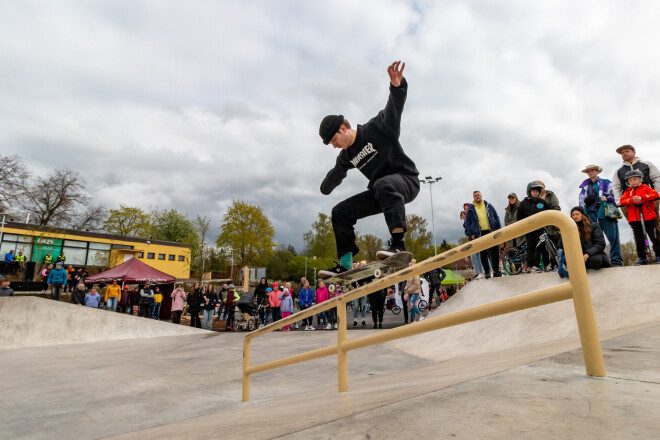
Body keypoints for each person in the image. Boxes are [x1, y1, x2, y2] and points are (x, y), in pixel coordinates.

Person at [317, 61, 420, 279]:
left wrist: (397, 87)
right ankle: (345, 263)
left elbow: (394, 109)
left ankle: (399, 245)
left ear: (343, 128)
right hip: (382, 193)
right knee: (340, 212)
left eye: (334, 140)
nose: (334, 146)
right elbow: (336, 174)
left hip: (407, 181)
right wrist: (324, 188)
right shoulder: (347, 155)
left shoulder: (377, 128)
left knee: (383, 184)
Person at [578, 164, 623, 267]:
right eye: (588, 171)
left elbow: (615, 195)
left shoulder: (606, 182)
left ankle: (616, 261)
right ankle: (602, 261)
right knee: (595, 239)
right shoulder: (584, 187)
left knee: (613, 237)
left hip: (606, 213)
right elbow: (581, 201)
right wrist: (585, 205)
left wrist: (607, 198)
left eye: (592, 170)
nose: (590, 173)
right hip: (591, 215)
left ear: (597, 171)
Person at [619, 169, 660, 265]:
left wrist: (642, 197)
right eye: (630, 180)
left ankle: (658, 255)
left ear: (640, 179)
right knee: (639, 238)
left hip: (649, 218)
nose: (633, 182)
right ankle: (642, 257)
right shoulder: (628, 192)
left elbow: (655, 194)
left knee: (654, 236)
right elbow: (622, 201)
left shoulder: (646, 188)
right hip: (635, 219)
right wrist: (631, 200)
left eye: (635, 179)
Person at [612, 145, 660, 226]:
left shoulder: (646, 164)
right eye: (622, 153)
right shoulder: (619, 171)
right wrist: (618, 200)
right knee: (636, 228)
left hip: (649, 200)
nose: (624, 154)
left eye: (627, 151)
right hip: (628, 203)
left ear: (634, 152)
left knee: (655, 226)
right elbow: (616, 186)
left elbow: (656, 178)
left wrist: (657, 194)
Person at [465, 191, 502, 278]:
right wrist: (471, 234)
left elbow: (496, 217)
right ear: (473, 197)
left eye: (478, 195)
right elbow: (467, 223)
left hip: (491, 231)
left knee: (495, 252)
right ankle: (487, 272)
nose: (477, 197)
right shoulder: (471, 209)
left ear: (481, 196)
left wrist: (498, 229)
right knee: (483, 253)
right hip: (479, 233)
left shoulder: (488, 206)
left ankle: (496, 270)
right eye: (475, 196)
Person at [517, 182, 552, 273]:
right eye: (534, 191)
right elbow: (519, 218)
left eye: (537, 191)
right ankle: (532, 266)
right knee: (531, 247)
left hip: (541, 229)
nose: (536, 193)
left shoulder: (542, 202)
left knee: (543, 247)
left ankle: (547, 265)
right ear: (529, 192)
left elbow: (550, 212)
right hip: (530, 230)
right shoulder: (523, 204)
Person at [461, 207, 485, 278]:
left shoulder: (471, 219)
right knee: (473, 258)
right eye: (462, 216)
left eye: (464, 215)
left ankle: (483, 271)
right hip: (471, 241)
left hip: (475, 238)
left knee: (479, 255)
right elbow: (467, 232)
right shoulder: (464, 223)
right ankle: (478, 272)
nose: (463, 216)